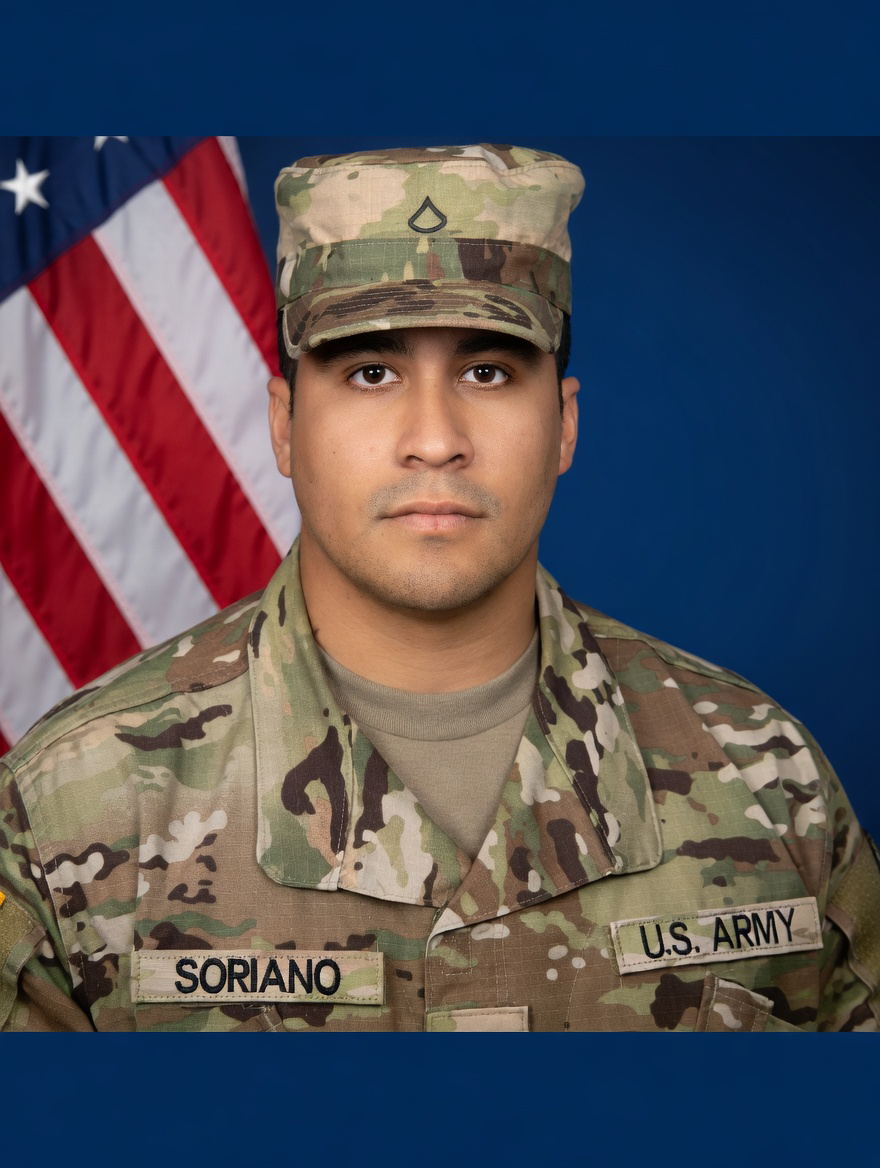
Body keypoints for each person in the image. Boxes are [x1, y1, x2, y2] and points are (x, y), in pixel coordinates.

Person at [1, 143, 877, 1033]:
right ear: (284, 426)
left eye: (487, 371)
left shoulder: (769, 779)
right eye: (370, 372)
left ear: (566, 425)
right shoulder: (69, 806)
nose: (433, 438)